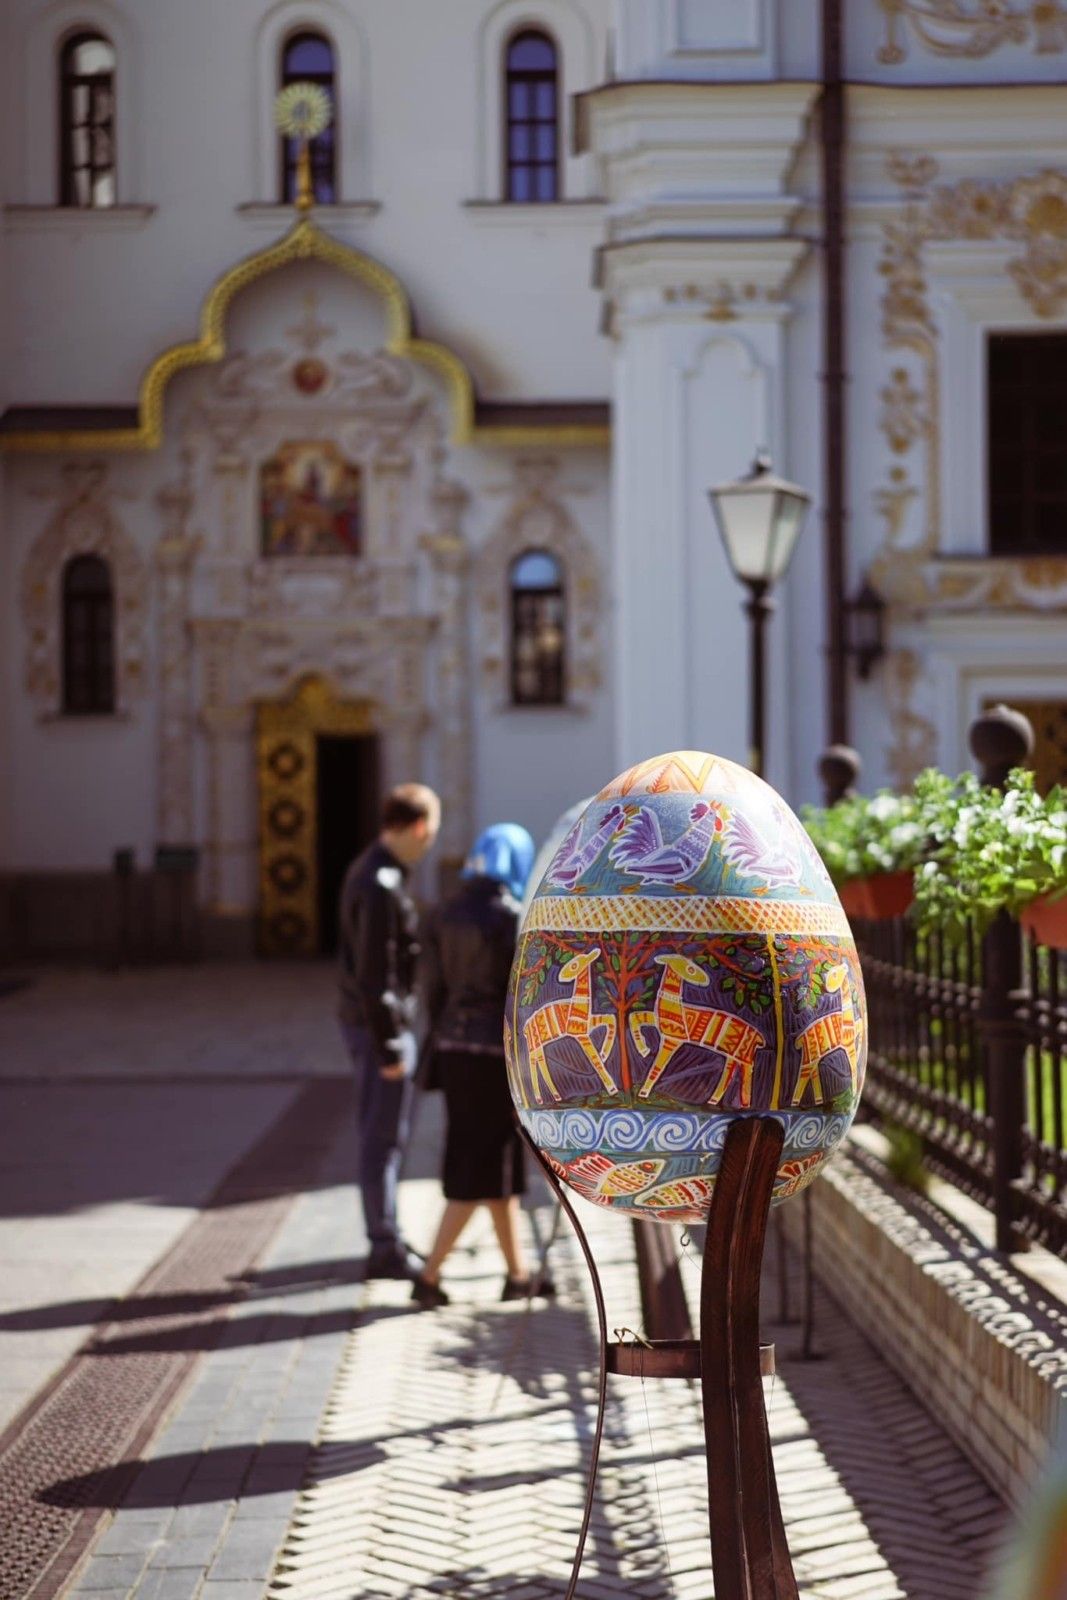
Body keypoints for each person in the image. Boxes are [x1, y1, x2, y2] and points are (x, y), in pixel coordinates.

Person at [411, 822, 553, 1310]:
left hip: (453, 1049)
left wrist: (439, 1037)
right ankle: (429, 1275)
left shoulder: (442, 913)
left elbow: (432, 992)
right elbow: (523, 999)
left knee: (496, 1165)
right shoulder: (512, 917)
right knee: (478, 1165)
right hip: (494, 1056)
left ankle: (519, 1274)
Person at [338, 782, 441, 1281]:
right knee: (383, 1138)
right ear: (418, 826)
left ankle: (388, 1234)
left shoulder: (374, 872)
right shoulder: (380, 883)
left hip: (373, 1025)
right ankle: (383, 1245)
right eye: (432, 832)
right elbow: (375, 977)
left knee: (384, 1136)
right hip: (381, 1030)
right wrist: (390, 1045)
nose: (431, 843)